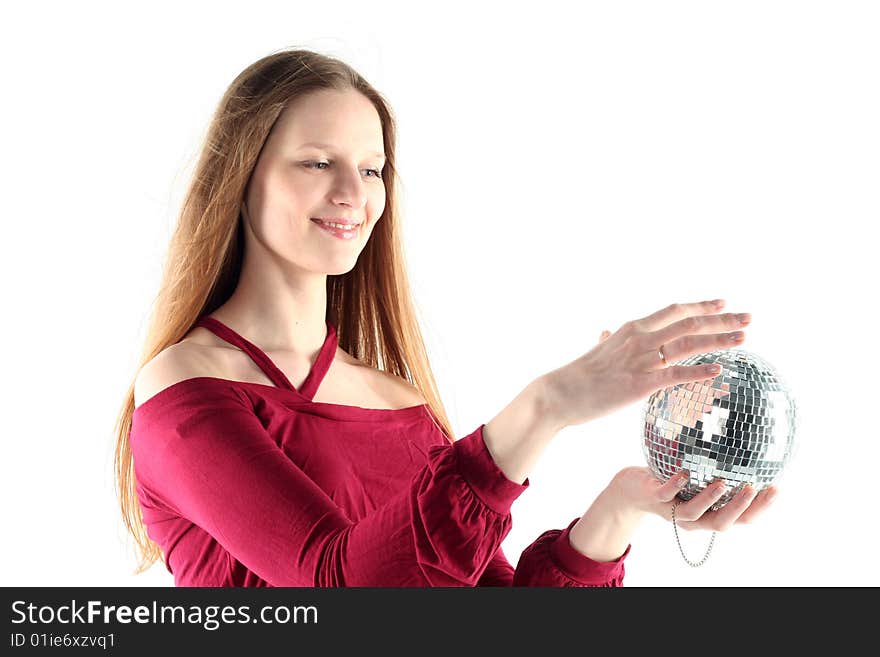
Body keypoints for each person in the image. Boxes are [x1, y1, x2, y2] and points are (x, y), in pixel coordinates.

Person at [113, 48, 776, 587]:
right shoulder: (181, 390)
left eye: (372, 170)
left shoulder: (399, 403)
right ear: (242, 175)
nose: (353, 194)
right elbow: (339, 585)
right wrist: (547, 405)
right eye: (318, 163)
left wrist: (623, 504)